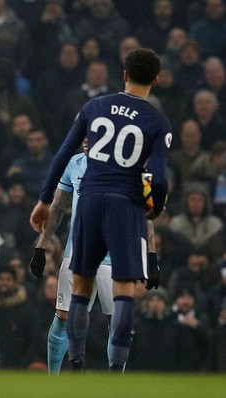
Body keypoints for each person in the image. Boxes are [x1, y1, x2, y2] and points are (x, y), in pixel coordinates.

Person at [30, 48, 172, 373]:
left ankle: (76, 365)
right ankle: (114, 375)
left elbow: (62, 153)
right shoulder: (156, 120)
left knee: (81, 286)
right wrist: (154, 208)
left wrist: (41, 199)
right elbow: (158, 180)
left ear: (124, 75)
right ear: (155, 80)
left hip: (92, 200)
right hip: (126, 204)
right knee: (125, 293)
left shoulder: (95, 106)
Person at [29, 139, 160, 374]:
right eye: (85, 136)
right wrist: (41, 246)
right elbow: (57, 207)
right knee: (63, 317)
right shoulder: (73, 164)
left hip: (116, 256)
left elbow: (146, 214)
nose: (88, 141)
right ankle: (52, 379)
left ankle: (113, 384)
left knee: (117, 322)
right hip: (77, 253)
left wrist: (152, 257)